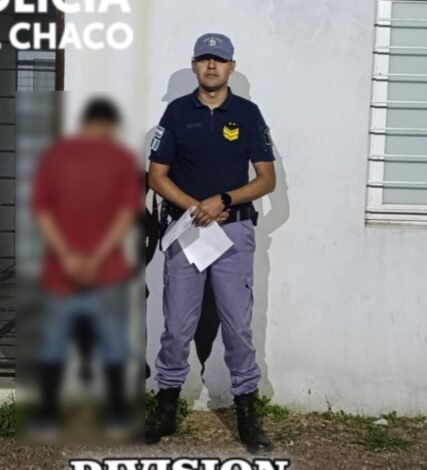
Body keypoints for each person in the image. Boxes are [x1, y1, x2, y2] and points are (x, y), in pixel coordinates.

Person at [146, 33, 277, 454]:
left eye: (218, 59)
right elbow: (156, 175)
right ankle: (166, 406)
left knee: (238, 325)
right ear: (194, 65)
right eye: (204, 58)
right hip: (187, 231)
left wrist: (223, 200)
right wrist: (196, 208)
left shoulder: (248, 114)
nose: (211, 66)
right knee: (177, 326)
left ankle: (246, 412)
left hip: (233, 232)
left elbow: (266, 180)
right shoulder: (176, 112)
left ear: (231, 67)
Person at [30, 97, 141, 438]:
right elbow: (127, 214)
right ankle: (117, 416)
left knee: (52, 345)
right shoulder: (121, 159)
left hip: (59, 270)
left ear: (84, 122)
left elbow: (41, 210)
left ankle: (47, 417)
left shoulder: (55, 156)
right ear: (110, 125)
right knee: (114, 345)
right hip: (107, 271)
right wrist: (96, 259)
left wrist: (66, 256)